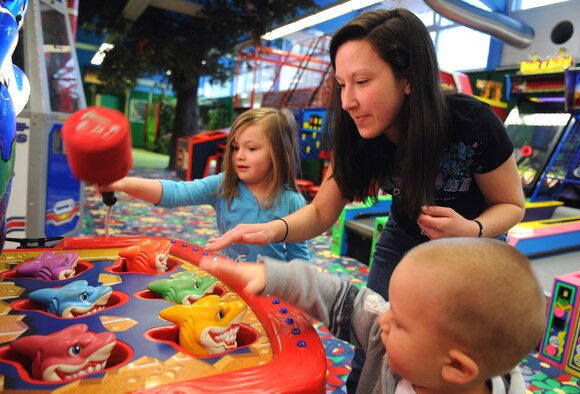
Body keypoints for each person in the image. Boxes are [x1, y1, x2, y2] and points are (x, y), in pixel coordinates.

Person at [204, 8, 525, 390]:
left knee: (460, 350)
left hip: (475, 246)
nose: (348, 101)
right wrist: (271, 229)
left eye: (362, 81)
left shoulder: (472, 123)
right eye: (341, 84)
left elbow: (512, 205)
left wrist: (471, 230)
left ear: (407, 78)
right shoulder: (358, 132)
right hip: (404, 237)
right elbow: (322, 211)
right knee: (377, 338)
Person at [201, 237, 546, 394]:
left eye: (400, 321)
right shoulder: (385, 340)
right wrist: (274, 277)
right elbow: (340, 296)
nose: (384, 320)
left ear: (457, 367)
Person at [99, 107, 310, 263]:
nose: (240, 156)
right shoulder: (224, 185)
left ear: (278, 154)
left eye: (252, 149)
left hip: (271, 293)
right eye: (236, 147)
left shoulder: (293, 202)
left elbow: (300, 259)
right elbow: (175, 193)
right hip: (231, 284)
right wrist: (123, 183)